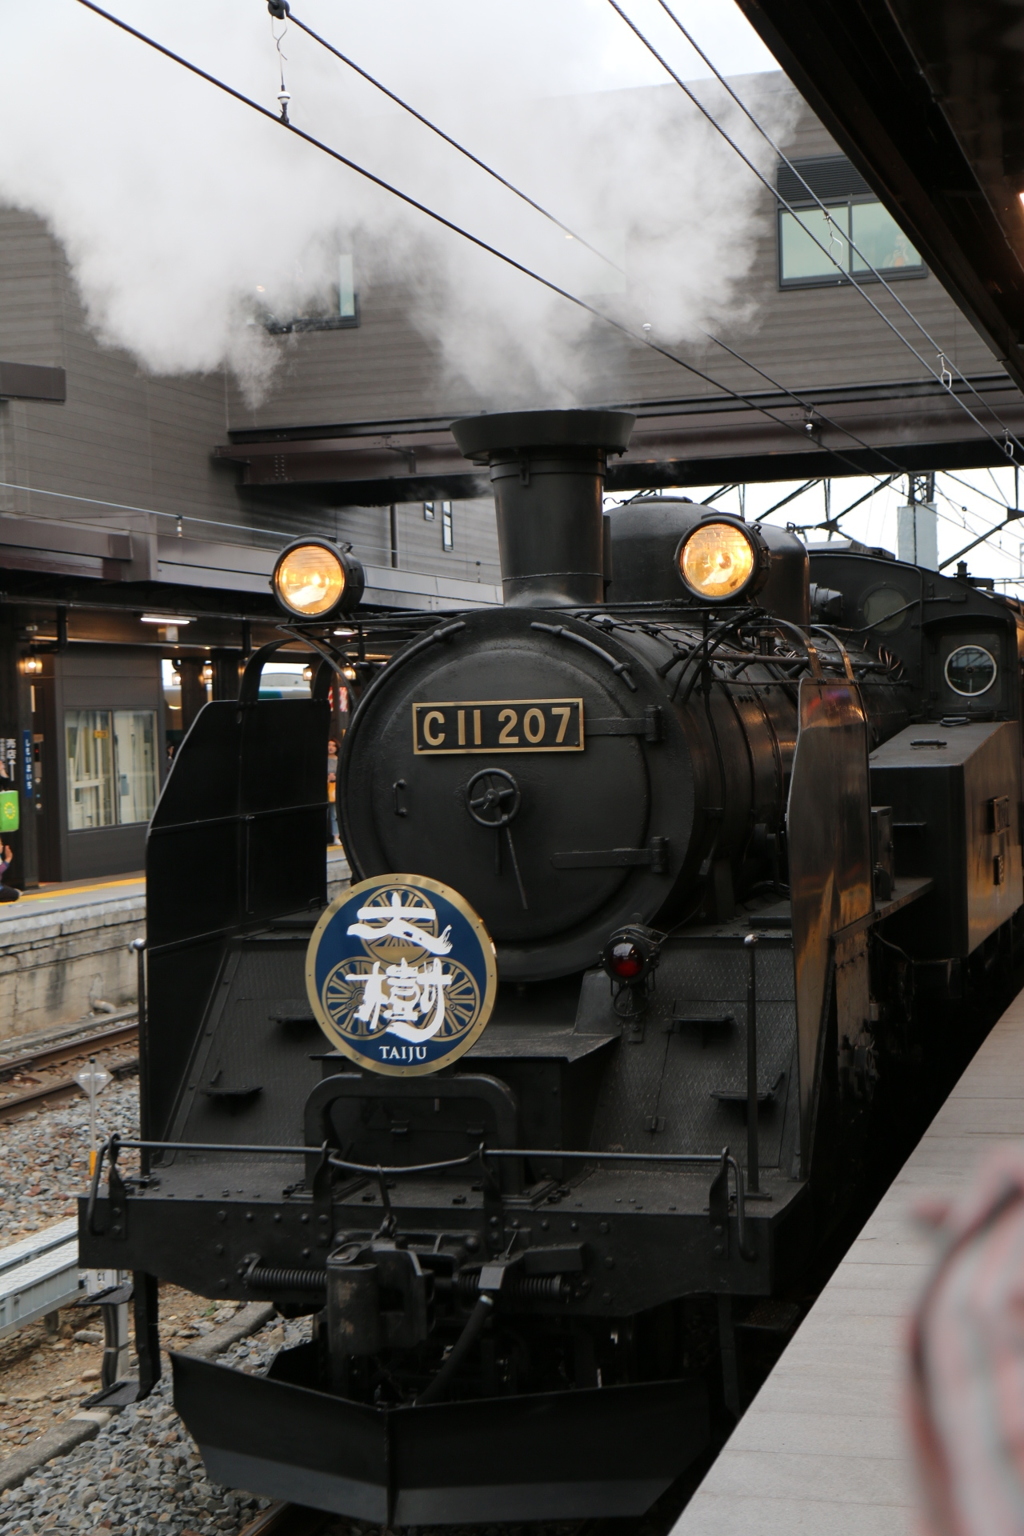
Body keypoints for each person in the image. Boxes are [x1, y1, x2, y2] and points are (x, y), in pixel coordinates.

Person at [327, 739, 341, 845]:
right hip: (325, 788)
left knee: (334, 814)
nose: (331, 747)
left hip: (334, 789)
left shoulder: (339, 760)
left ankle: (336, 836)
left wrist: (335, 777)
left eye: (333, 745)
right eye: (329, 745)